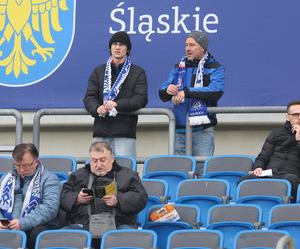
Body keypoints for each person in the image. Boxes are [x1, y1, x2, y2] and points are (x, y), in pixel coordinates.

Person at [159, 30, 225, 174]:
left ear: (202, 47)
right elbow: (162, 91)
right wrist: (168, 90)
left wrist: (186, 92)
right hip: (179, 130)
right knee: (178, 173)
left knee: (202, 174)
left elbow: (216, 91)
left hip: (202, 131)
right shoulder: (179, 67)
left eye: (192, 45)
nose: (188, 48)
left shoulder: (215, 67)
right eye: (186, 45)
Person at [60, 141, 148, 247]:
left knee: (127, 235)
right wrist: (76, 198)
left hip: (119, 225)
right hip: (83, 225)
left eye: (102, 160)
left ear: (112, 158)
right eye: (94, 161)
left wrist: (118, 200)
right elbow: (63, 196)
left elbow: (141, 197)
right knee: (61, 236)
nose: (98, 165)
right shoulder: (78, 175)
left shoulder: (128, 175)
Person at [83, 31, 148, 157]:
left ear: (127, 49)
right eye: (114, 44)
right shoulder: (98, 71)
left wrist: (117, 104)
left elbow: (141, 99)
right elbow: (89, 97)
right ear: (110, 47)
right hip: (101, 131)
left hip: (124, 132)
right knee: (99, 173)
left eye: (121, 44)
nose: (117, 47)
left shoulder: (138, 72)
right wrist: (96, 108)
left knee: (124, 173)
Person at [0, 143, 61, 249]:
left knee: (35, 234)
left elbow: (50, 208)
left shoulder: (49, 179)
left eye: (25, 165)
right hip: (8, 223)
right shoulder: (6, 179)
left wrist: (22, 223)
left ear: (36, 162)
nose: (21, 170)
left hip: (37, 225)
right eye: (17, 165)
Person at [238, 100, 300, 201]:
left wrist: (298, 139)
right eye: (295, 115)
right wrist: (258, 167)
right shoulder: (277, 133)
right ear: (288, 117)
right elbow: (264, 155)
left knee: (292, 180)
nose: (299, 118)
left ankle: (289, 208)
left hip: (290, 175)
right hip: (269, 173)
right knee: (244, 181)